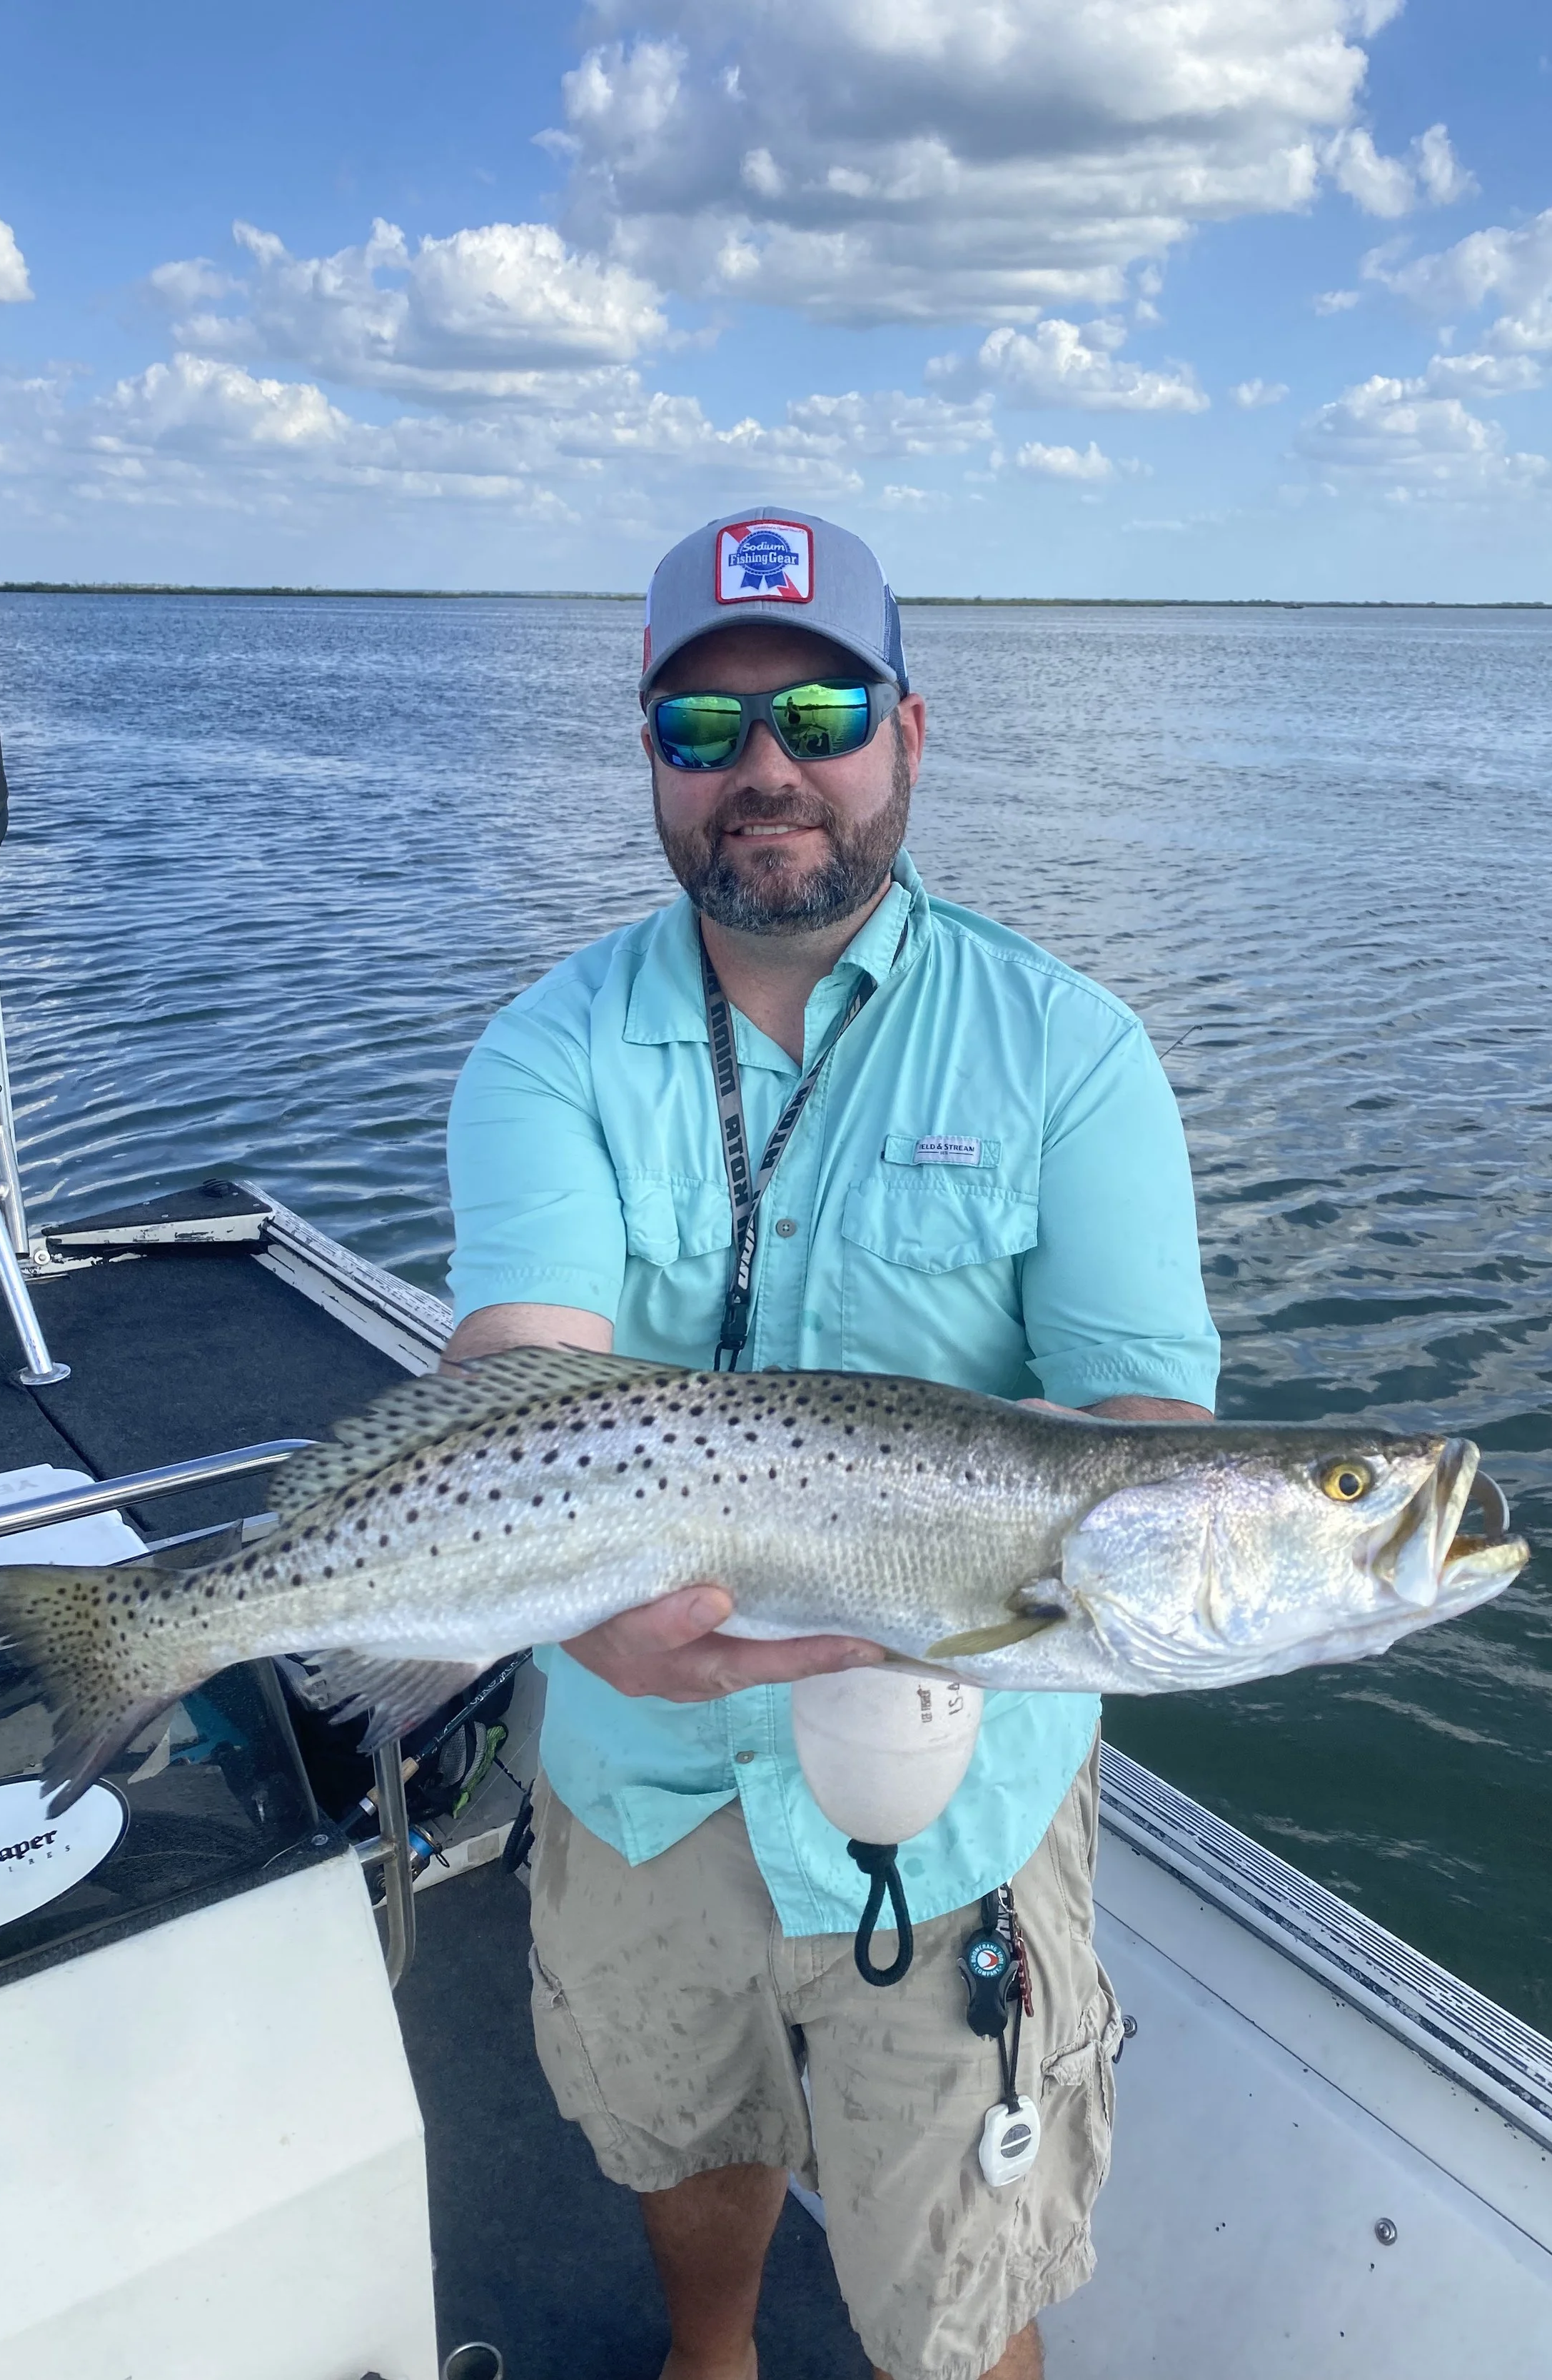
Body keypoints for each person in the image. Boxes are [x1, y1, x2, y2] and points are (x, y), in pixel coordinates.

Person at [442, 508, 1219, 2380]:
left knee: (958, 2298)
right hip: (632, 1756)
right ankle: (706, 2357)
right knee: (682, 2135)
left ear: (908, 735)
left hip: (957, 1796)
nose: (763, 766)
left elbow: (1144, 1430)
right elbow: (519, 1367)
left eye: (814, 708)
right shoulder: (549, 1049)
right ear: (649, 760)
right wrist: (577, 1611)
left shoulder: (1067, 1048)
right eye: (701, 728)